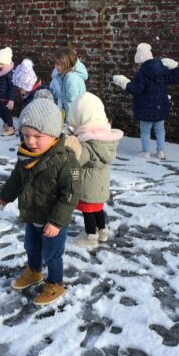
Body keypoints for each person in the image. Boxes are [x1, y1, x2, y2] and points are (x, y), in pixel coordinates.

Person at [0, 94, 81, 306]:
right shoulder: (26, 157)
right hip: (33, 215)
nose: (30, 141)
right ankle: (34, 271)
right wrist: (4, 197)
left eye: (37, 136)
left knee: (52, 254)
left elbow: (70, 195)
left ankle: (55, 283)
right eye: (25, 135)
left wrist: (57, 222)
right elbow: (16, 180)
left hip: (53, 221)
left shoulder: (65, 161)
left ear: (52, 134)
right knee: (31, 247)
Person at [66, 92, 123, 248]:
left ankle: (90, 236)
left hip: (88, 184)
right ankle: (103, 231)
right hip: (100, 183)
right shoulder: (104, 137)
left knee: (88, 212)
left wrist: (70, 144)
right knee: (98, 209)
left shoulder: (87, 142)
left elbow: (77, 158)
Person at [113, 43, 179, 160]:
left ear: (140, 60)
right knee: (160, 130)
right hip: (160, 106)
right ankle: (161, 151)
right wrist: (176, 67)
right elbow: (175, 79)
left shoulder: (141, 74)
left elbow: (137, 90)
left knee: (145, 131)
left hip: (145, 108)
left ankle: (146, 152)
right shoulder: (163, 70)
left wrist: (125, 83)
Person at [53, 46, 88, 124]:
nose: (55, 67)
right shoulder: (65, 75)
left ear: (66, 64)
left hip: (75, 120)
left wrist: (68, 124)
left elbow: (71, 103)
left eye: (58, 64)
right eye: (55, 63)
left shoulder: (70, 78)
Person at [0, 47, 17, 136]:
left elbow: (13, 87)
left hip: (7, 99)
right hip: (0, 97)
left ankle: (10, 128)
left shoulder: (10, 73)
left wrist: (11, 100)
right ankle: (6, 123)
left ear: (8, 63)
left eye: (2, 64)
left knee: (7, 114)